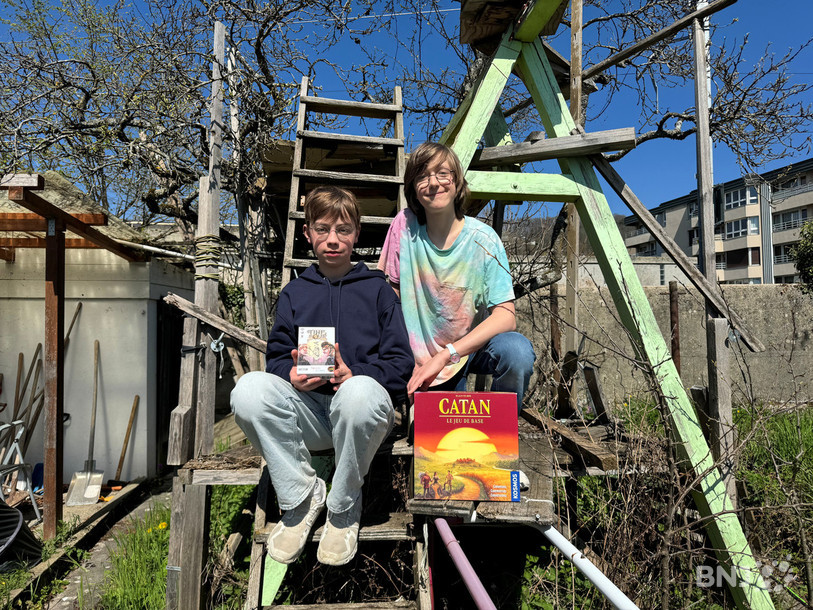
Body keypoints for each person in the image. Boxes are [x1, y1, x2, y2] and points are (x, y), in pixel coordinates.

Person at [231, 185, 414, 566]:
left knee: (359, 392)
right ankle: (300, 498)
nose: (333, 239)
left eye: (343, 230)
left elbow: (400, 366)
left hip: (363, 418)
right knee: (248, 390)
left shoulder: (379, 291)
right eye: (323, 228)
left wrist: (355, 373)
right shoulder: (295, 293)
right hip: (312, 416)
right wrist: (291, 375)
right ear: (307, 233)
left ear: (357, 234)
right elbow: (276, 359)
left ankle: (344, 508)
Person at [378, 141, 536, 413]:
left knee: (517, 352)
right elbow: (390, 296)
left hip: (467, 350)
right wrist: (400, 355)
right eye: (422, 175)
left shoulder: (483, 239)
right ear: (413, 187)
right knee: (435, 440)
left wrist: (448, 354)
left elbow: (506, 315)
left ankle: (503, 426)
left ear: (457, 181)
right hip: (418, 354)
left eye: (443, 173)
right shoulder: (403, 227)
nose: (433, 183)